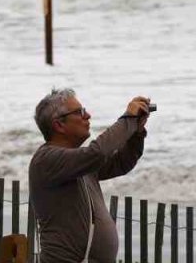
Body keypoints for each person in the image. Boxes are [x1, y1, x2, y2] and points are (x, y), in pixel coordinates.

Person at [29, 89, 152, 263]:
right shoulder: (46, 160)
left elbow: (121, 163)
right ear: (59, 125)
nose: (88, 116)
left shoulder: (80, 161)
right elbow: (98, 152)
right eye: (79, 112)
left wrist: (136, 132)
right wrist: (128, 119)